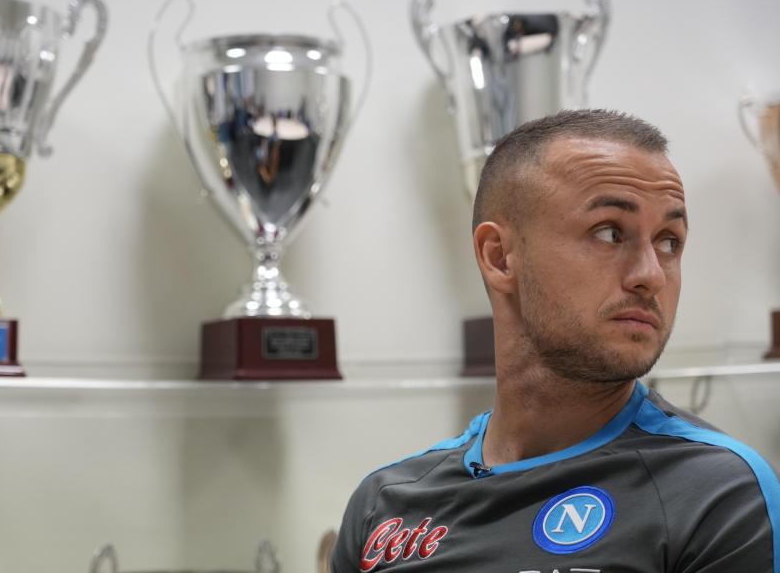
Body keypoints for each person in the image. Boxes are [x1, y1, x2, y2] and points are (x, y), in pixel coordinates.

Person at [331, 109, 780, 573]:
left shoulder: (717, 494)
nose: (650, 275)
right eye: (610, 232)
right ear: (500, 256)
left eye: (669, 241)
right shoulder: (383, 506)